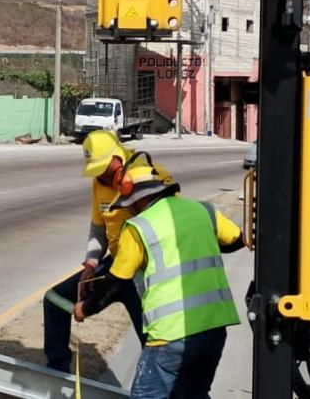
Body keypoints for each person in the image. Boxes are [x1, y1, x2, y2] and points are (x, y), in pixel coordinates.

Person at [75, 157, 246, 398]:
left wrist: (85, 308)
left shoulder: (138, 228)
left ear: (138, 198)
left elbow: (116, 283)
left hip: (170, 335)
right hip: (214, 329)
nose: (129, 209)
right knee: (193, 394)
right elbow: (238, 240)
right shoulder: (203, 210)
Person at [43, 130, 170, 372]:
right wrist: (91, 264)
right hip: (114, 266)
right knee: (55, 300)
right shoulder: (98, 183)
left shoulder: (147, 177)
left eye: (104, 168)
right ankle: (57, 372)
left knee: (153, 340)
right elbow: (98, 230)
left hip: (143, 272)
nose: (100, 174)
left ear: (117, 157)